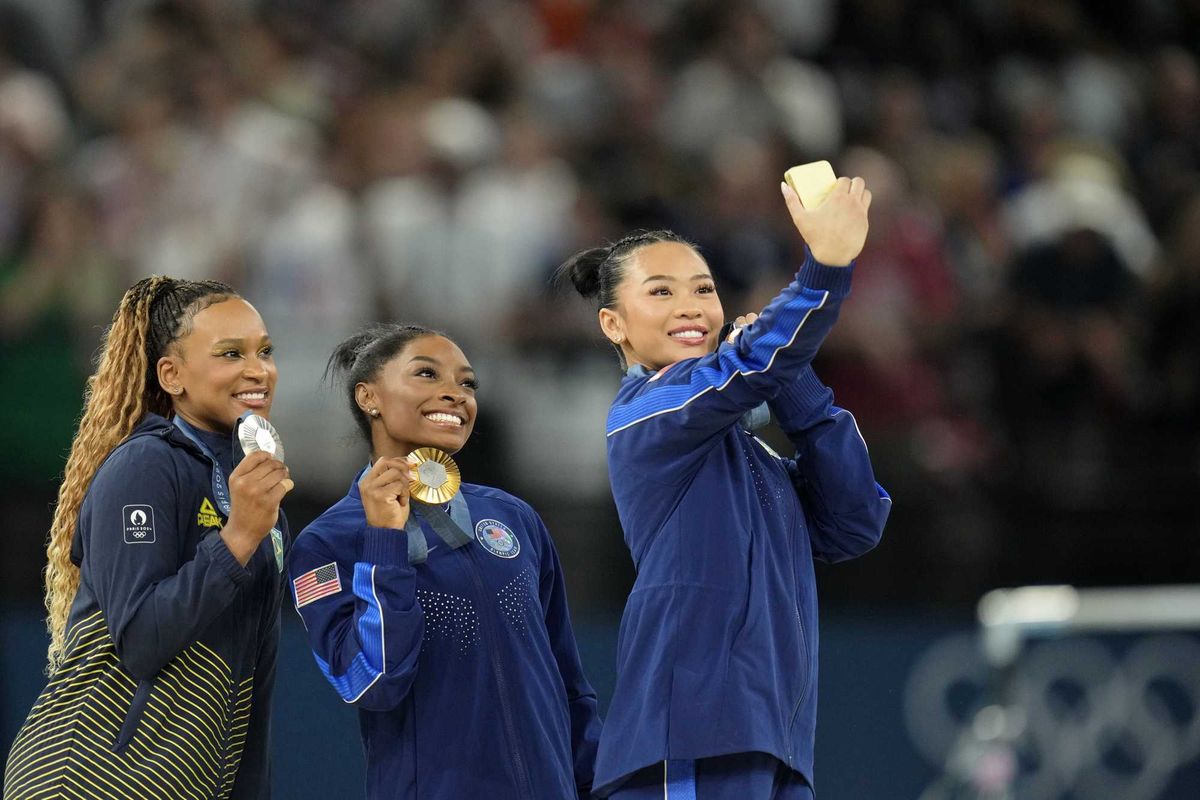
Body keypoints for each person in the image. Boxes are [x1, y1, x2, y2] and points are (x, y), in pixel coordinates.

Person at [560, 177, 892, 799]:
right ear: (614, 324)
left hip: (775, 743)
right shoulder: (645, 415)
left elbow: (854, 523)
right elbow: (745, 371)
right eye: (660, 292)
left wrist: (792, 386)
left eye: (704, 290)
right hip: (689, 742)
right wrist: (824, 269)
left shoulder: (752, 457)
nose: (691, 307)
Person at [3, 277, 293, 800]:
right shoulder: (144, 466)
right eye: (231, 353)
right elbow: (141, 639)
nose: (259, 370)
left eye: (265, 351)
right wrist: (237, 538)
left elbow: (254, 681)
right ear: (172, 374)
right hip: (84, 777)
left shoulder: (256, 494)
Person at [289, 323, 602, 799]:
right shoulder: (327, 543)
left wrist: (595, 783)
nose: (455, 394)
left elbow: (568, 683)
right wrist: (384, 543)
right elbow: (372, 682)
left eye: (467, 382)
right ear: (368, 396)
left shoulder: (512, 516)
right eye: (427, 374)